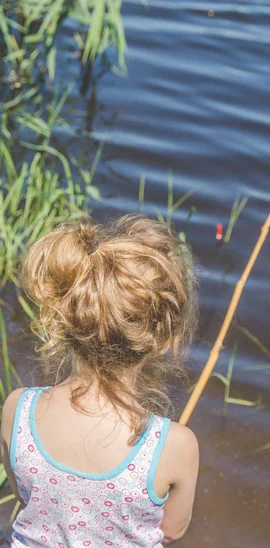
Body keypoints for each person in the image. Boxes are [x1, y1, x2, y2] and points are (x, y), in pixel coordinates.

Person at [0, 215, 199, 547]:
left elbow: (25, 493)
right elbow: (171, 531)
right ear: (164, 339)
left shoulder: (17, 407)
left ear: (67, 319)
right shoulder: (175, 445)